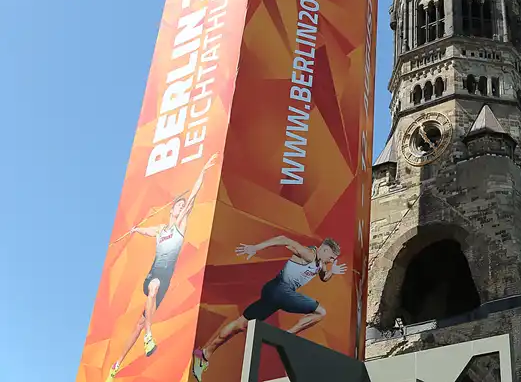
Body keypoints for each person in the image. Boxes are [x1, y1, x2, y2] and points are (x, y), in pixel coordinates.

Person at [106, 153, 218, 381]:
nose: (182, 207)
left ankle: (115, 366)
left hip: (167, 277)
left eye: (183, 206)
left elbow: (194, 195)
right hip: (155, 273)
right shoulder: (160, 229)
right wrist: (136, 229)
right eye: (179, 205)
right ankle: (149, 336)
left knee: (139, 322)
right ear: (172, 209)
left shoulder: (180, 225)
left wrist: (203, 172)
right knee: (153, 288)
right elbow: (148, 231)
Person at [191, 237, 345, 381]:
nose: (331, 261)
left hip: (273, 293)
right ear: (324, 250)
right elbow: (283, 239)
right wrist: (256, 248)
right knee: (320, 312)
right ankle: (287, 336)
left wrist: (333, 271)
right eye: (331, 258)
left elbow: (324, 277)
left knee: (240, 324)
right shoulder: (308, 254)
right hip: (281, 289)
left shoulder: (321, 264)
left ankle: (204, 353)